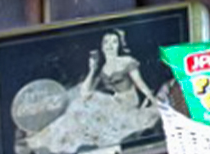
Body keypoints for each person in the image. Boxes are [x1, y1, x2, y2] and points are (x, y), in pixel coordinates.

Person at [19, 30, 160, 154]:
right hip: (112, 101)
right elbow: (85, 92)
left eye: (114, 42)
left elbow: (140, 84)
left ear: (118, 45)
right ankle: (44, 138)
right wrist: (92, 69)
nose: (110, 46)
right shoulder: (103, 67)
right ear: (102, 45)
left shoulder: (126, 61)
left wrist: (153, 101)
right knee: (79, 105)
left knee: (86, 109)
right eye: (106, 42)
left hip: (127, 103)